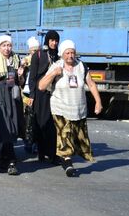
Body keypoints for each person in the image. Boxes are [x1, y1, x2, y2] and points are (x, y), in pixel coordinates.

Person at [39, 40, 102, 177]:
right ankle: (67, 163)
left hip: (78, 108)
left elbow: (91, 84)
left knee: (77, 137)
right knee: (64, 133)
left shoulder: (81, 66)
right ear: (62, 54)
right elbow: (41, 86)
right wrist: (54, 74)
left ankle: (66, 156)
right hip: (60, 107)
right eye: (67, 53)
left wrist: (98, 102)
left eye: (72, 52)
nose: (70, 55)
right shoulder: (56, 66)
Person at [0, 34, 25, 175]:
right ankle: (11, 161)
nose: (7, 48)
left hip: (13, 97)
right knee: (5, 128)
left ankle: (4, 160)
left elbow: (20, 83)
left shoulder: (16, 60)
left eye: (9, 45)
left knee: (13, 127)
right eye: (4, 45)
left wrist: (21, 74)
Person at [29, 30, 60, 164]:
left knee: (53, 124)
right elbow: (33, 76)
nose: (54, 43)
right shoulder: (38, 55)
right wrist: (32, 94)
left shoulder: (59, 56)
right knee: (41, 122)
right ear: (47, 41)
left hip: (55, 93)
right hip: (40, 93)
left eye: (56, 40)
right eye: (51, 40)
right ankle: (41, 152)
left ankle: (53, 153)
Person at [21, 36, 41, 153]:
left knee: (37, 118)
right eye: (33, 51)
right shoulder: (26, 62)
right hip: (27, 94)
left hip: (38, 93)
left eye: (37, 51)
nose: (35, 53)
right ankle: (28, 141)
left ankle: (36, 142)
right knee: (28, 117)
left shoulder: (41, 61)